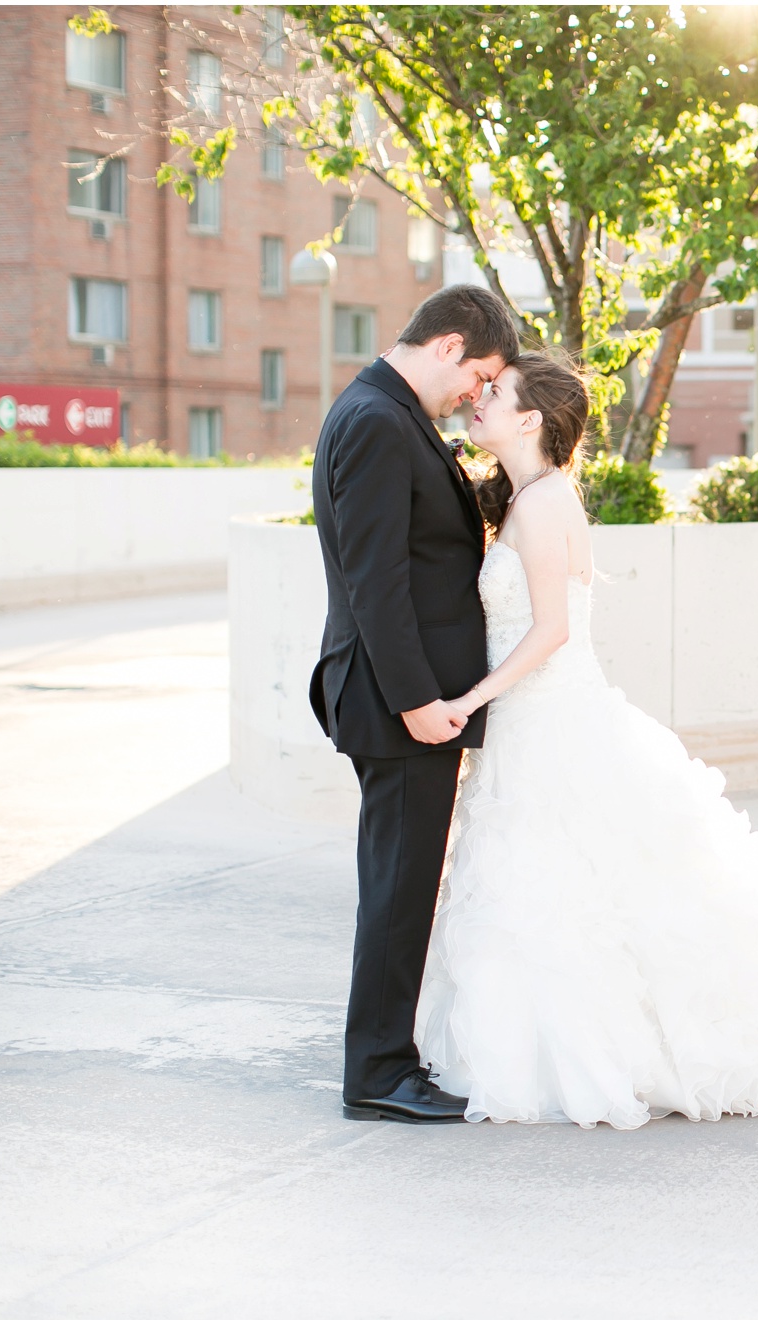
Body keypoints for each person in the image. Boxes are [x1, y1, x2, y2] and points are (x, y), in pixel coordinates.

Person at [412, 351, 758, 1128]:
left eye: (496, 394)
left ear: (531, 417)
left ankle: (607, 1049)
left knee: (569, 885)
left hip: (552, 718)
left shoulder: (543, 506)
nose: (480, 401)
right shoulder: (528, 497)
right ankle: (530, 1041)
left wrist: (469, 699)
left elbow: (551, 630)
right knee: (547, 885)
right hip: (536, 723)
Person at [308, 284, 520, 1123]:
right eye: (482, 376)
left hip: (410, 699)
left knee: (402, 882)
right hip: (400, 704)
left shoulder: (390, 416)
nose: (478, 393)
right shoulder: (374, 422)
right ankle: (378, 1074)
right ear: (449, 347)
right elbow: (375, 584)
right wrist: (418, 701)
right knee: (399, 887)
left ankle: (388, 1056)